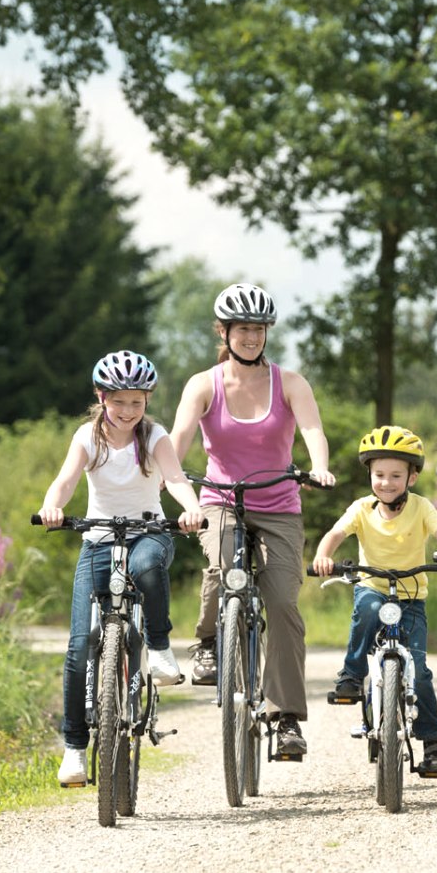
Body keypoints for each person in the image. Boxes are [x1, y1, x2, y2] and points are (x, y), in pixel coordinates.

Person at [170, 283, 335, 757]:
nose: (251, 337)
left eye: (259, 329)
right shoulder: (205, 384)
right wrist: (171, 478)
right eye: (243, 329)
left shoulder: (291, 383)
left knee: (282, 602)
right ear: (224, 331)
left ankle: (285, 718)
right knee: (224, 568)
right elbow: (180, 435)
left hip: (279, 504)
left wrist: (318, 465)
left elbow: (311, 429)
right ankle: (207, 642)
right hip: (220, 500)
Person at [38, 350, 206, 788]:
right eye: (119, 401)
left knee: (148, 565)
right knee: (78, 648)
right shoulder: (87, 437)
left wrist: (191, 510)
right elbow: (67, 480)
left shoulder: (153, 437)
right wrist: (52, 507)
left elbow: (175, 479)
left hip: (148, 532)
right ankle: (75, 749)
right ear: (101, 396)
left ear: (147, 400)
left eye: (137, 401)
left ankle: (162, 649)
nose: (128, 411)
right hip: (97, 539)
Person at [310, 426, 437, 778]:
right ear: (369, 474)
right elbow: (335, 534)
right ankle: (352, 674)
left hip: (412, 598)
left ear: (412, 477)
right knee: (367, 610)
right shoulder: (360, 509)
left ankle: (433, 743)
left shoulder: (423, 508)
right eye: (379, 474)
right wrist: (324, 556)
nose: (386, 482)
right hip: (373, 587)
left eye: (396, 475)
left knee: (421, 672)